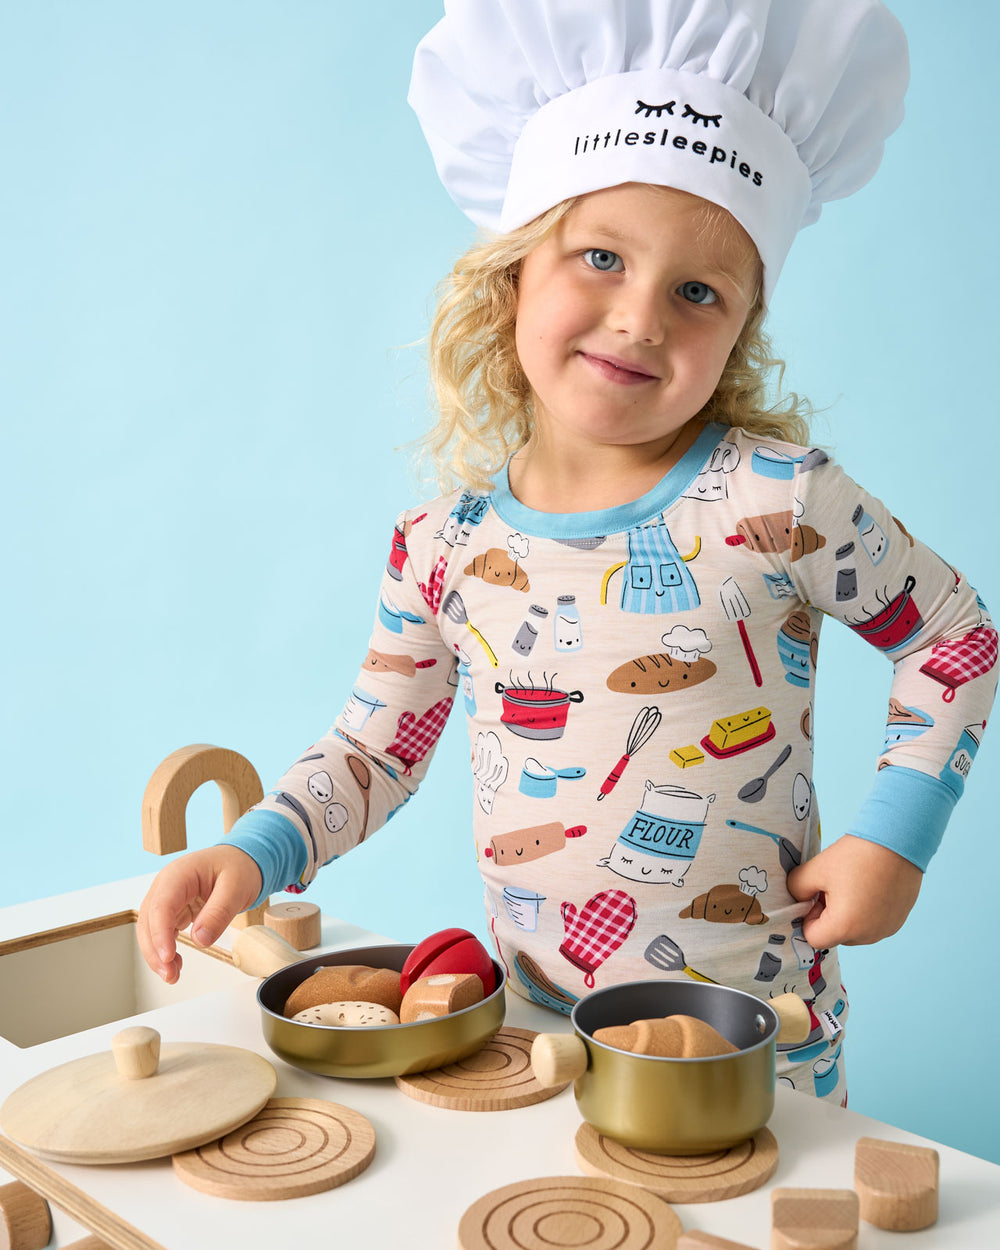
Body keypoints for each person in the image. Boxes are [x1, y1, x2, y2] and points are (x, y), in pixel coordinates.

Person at [137, 0, 997, 1103]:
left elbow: (952, 634)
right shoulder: (445, 545)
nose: (640, 318)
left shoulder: (777, 498)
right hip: (534, 1040)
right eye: (599, 256)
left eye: (698, 291)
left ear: (741, 328)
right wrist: (256, 849)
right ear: (510, 284)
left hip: (757, 1036)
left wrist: (896, 837)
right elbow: (378, 741)